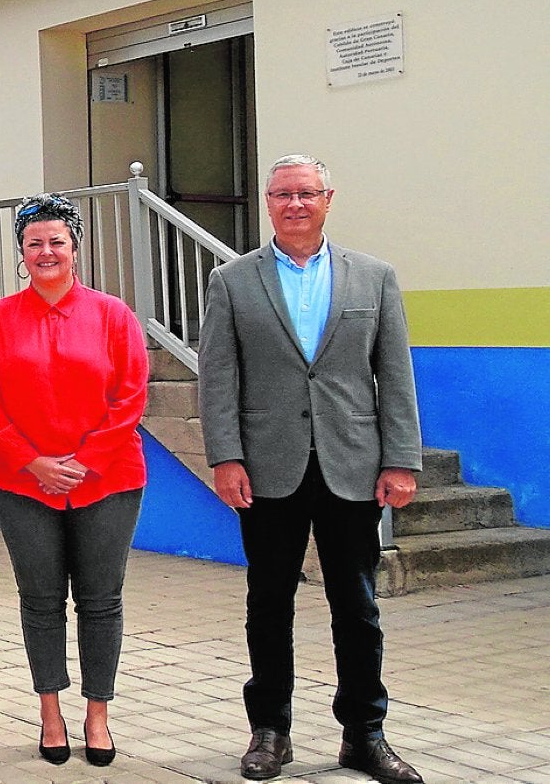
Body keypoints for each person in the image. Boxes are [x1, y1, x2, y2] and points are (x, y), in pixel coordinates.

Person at [199, 155, 425, 784]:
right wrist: (225, 456)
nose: (295, 204)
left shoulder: (373, 278)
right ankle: (270, 731)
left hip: (352, 465)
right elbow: (218, 378)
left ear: (329, 198)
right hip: (267, 469)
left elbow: (394, 374)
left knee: (357, 606)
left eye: (307, 193)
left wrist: (401, 459)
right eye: (282, 195)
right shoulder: (232, 281)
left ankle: (365, 735)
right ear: (267, 202)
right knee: (268, 602)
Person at [0, 194, 148, 768]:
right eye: (34, 243)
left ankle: (98, 715)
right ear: (21, 252)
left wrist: (86, 460)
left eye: (57, 242)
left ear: (75, 248)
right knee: (41, 599)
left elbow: (130, 397)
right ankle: (50, 712)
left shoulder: (113, 315)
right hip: (22, 482)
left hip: (109, 479)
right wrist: (35, 462)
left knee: (101, 600)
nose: (46, 252)